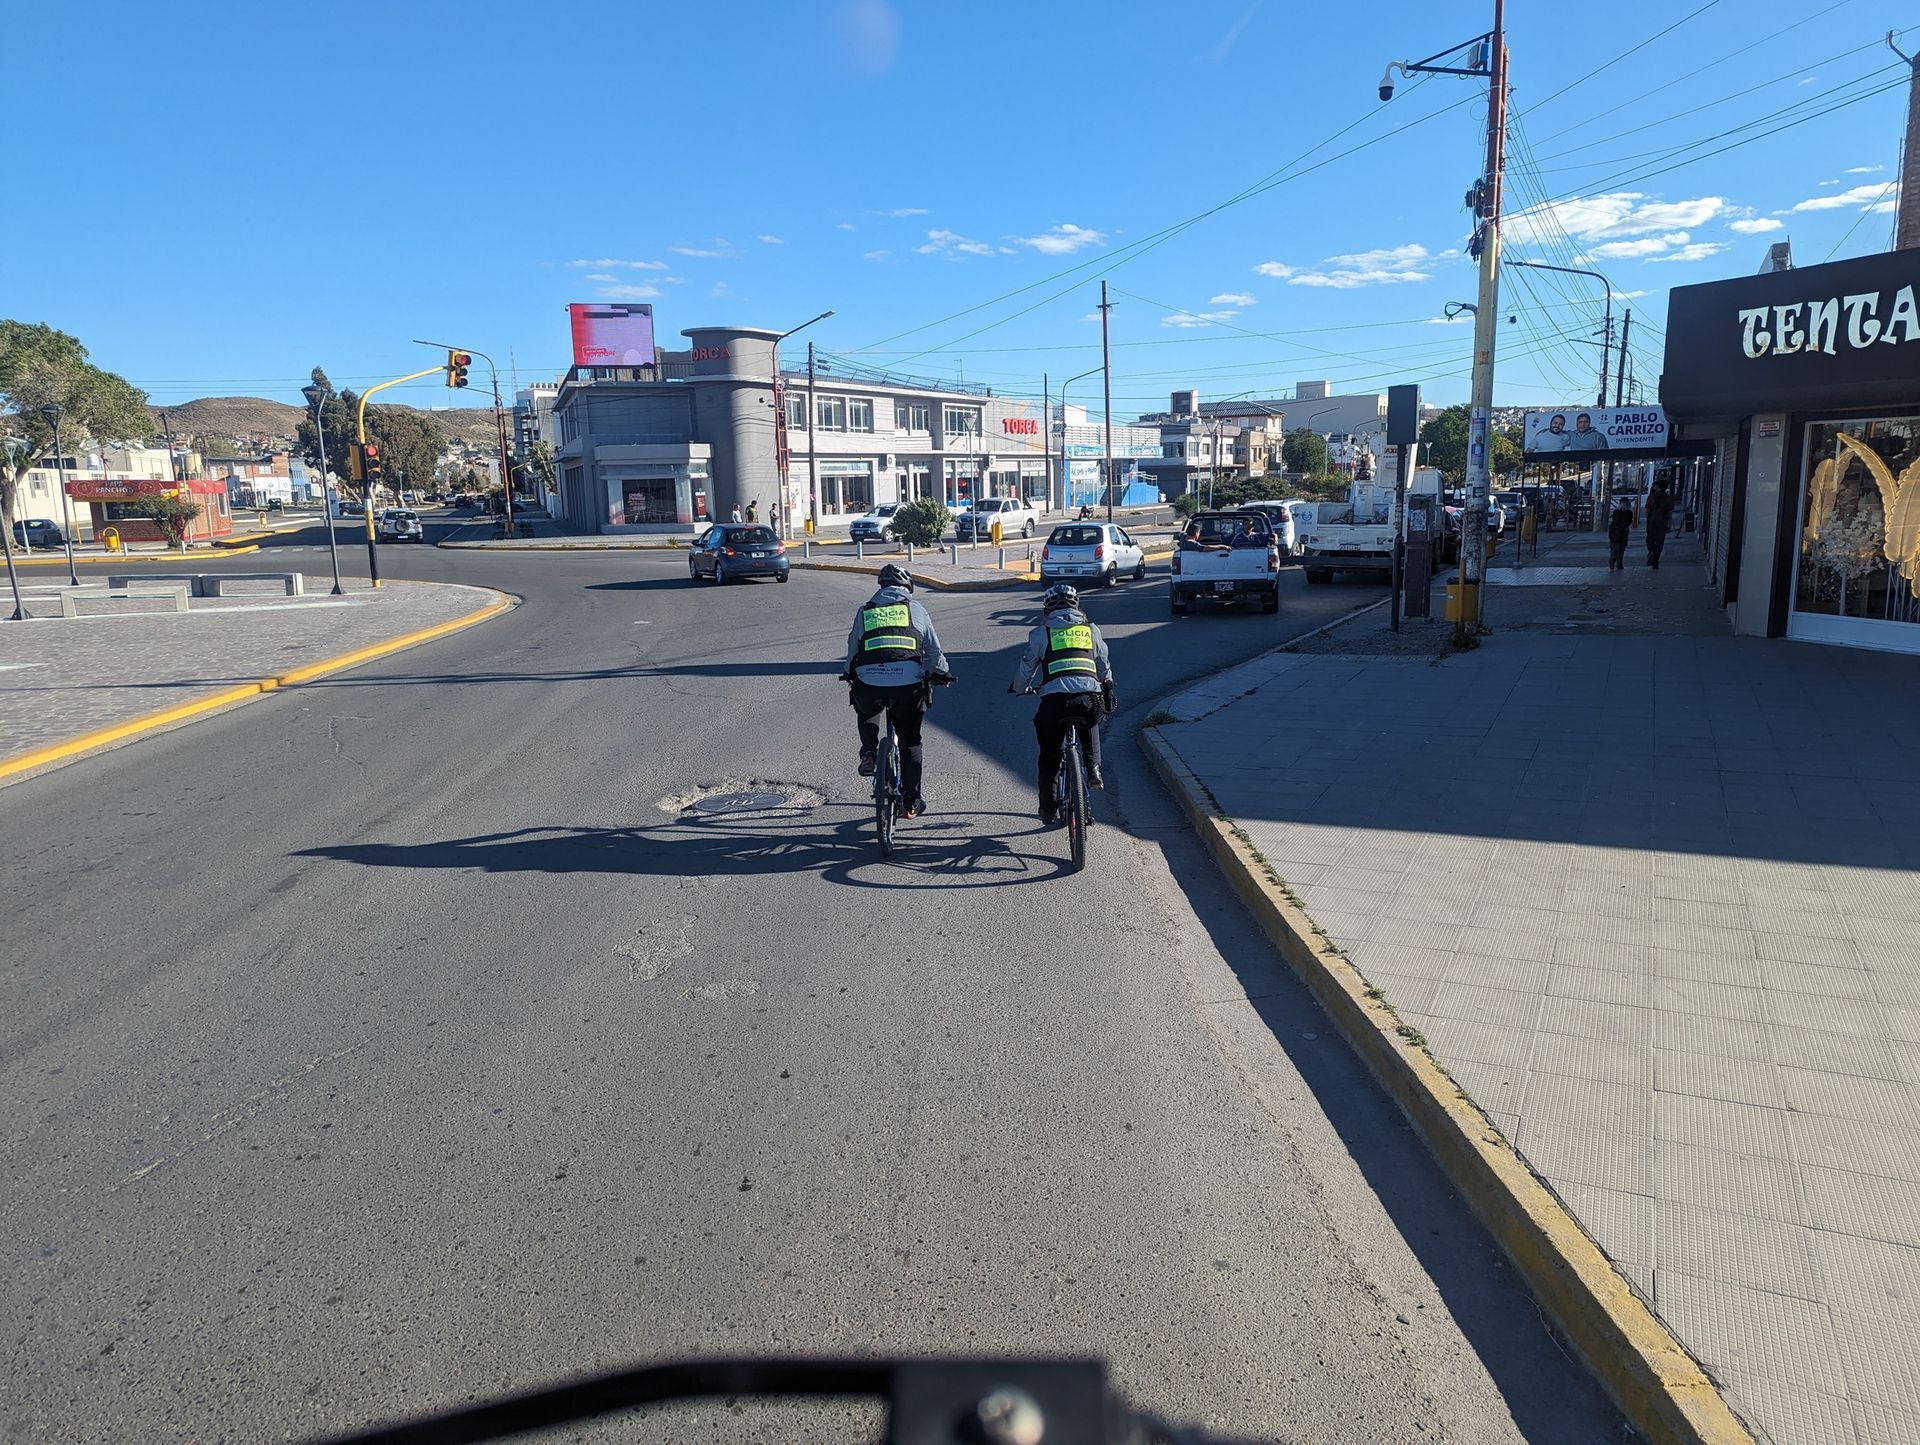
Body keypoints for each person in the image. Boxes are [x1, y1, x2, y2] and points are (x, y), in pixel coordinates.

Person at [843, 563, 952, 819]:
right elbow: (934, 652)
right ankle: (911, 802)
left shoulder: (865, 611)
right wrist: (941, 672)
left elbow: (852, 649)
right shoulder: (917, 609)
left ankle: (869, 753)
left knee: (866, 709)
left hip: (869, 681)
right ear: (908, 588)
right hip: (907, 686)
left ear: (881, 587)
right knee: (910, 741)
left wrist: (849, 672)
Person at [1010, 583, 1115, 825]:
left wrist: (1019, 688)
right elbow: (1103, 663)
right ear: (1077, 606)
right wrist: (1107, 684)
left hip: (1055, 702)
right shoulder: (1091, 630)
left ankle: (1048, 809)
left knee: (1049, 755)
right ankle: (1093, 769)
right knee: (1090, 722)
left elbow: (1026, 668)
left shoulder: (1041, 633)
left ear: (1047, 610)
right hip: (1089, 698)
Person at [1644, 475, 1676, 569]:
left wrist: (1648, 519)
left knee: (1650, 538)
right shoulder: (1668, 498)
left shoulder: (1652, 496)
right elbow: (1670, 512)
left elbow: (1647, 510)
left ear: (1658, 487)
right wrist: (1670, 524)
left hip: (1652, 520)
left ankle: (1651, 551)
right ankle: (1656, 560)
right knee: (1660, 541)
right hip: (1662, 521)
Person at [1607, 496, 1634, 571]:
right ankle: (1619, 563)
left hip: (1614, 531)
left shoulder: (1616, 511)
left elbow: (1614, 520)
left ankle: (1613, 558)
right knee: (1622, 548)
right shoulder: (1629, 512)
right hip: (1624, 531)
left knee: (1614, 547)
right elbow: (1629, 522)